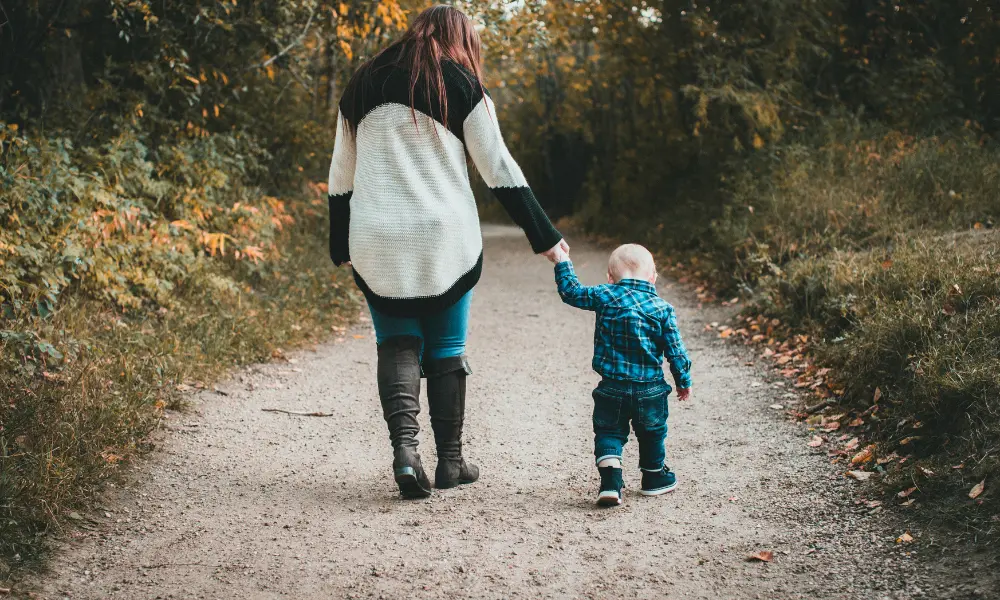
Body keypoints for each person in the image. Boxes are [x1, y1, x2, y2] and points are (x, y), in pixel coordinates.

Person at [327, 5, 569, 499]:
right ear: (459, 39)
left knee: (396, 341)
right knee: (447, 347)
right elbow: (497, 165)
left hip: (376, 233)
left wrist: (340, 243)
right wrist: (544, 236)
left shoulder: (362, 82)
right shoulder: (459, 83)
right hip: (445, 236)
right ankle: (450, 462)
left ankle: (404, 453)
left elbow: (340, 175)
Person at [550, 243, 692, 506]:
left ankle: (611, 483)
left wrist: (562, 261)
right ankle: (653, 477)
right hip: (650, 389)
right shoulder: (662, 309)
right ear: (653, 277)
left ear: (610, 278)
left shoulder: (605, 294)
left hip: (611, 387)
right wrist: (683, 380)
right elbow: (676, 351)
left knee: (609, 432)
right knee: (652, 432)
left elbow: (571, 292)